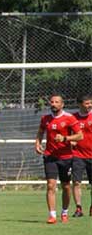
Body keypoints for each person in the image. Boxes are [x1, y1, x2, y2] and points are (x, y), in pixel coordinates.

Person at [35, 94, 82, 224]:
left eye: (56, 102)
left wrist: (65, 138)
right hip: (50, 156)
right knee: (51, 185)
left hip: (66, 157)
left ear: (62, 104)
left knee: (66, 186)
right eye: (52, 102)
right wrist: (37, 143)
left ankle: (64, 212)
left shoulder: (69, 118)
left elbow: (80, 136)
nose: (53, 104)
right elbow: (40, 131)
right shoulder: (45, 118)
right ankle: (52, 215)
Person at [71, 95, 92, 217]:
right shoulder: (73, 118)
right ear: (79, 104)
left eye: (91, 103)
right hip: (77, 155)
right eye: (87, 103)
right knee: (76, 182)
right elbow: (68, 134)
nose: (89, 105)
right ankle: (78, 208)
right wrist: (71, 141)